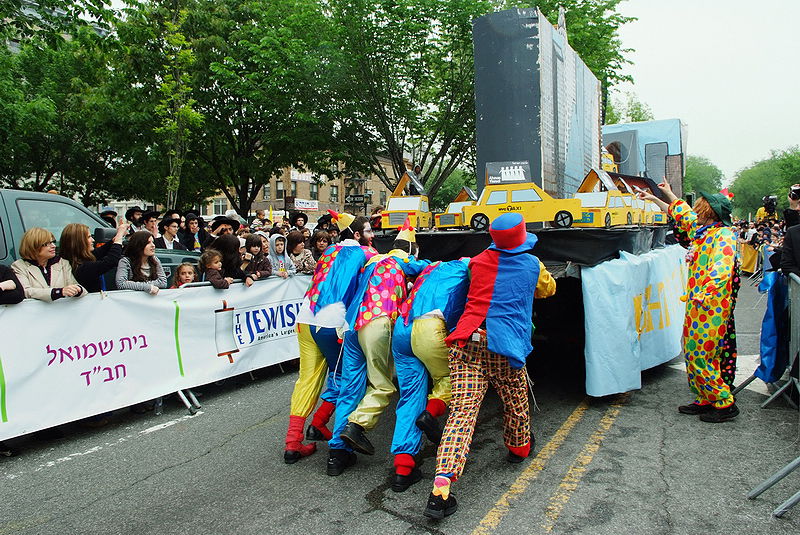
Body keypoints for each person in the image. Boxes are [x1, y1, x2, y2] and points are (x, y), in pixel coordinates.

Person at [422, 213, 555, 519]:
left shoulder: (476, 262)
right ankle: (519, 448)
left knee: (462, 415)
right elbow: (548, 290)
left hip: (468, 342)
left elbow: (463, 296)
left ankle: (440, 492)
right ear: (522, 238)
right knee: (516, 399)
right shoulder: (533, 265)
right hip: (504, 346)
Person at [328, 220, 430, 475]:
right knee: (383, 385)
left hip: (352, 325)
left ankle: (337, 455)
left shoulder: (374, 260)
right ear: (411, 250)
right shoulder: (405, 261)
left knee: (350, 389)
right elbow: (429, 268)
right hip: (377, 322)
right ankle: (356, 425)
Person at [637, 183, 740, 423]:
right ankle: (705, 397)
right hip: (696, 303)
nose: (696, 210)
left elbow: (722, 268)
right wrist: (654, 198)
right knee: (693, 352)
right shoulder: (702, 230)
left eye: (700, 207)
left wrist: (707, 291)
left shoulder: (723, 235)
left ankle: (724, 402)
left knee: (702, 354)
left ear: (709, 212)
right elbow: (678, 211)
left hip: (712, 305)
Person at [283, 210, 377, 464]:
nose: (373, 235)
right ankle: (327, 430)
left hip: (306, 317)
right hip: (332, 321)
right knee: (345, 377)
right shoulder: (367, 253)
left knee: (307, 379)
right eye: (369, 230)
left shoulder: (328, 251)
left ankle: (293, 442)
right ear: (357, 234)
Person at [389, 258, 470, 492]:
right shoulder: (468, 267)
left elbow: (400, 262)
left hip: (403, 327)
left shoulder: (432, 266)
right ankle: (430, 414)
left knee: (410, 396)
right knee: (448, 379)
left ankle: (403, 468)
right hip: (430, 326)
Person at [11, 228, 86, 302]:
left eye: (53, 242)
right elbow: (26, 291)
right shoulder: (19, 266)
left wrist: (78, 290)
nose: (54, 246)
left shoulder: (62, 263)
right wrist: (57, 292)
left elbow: (75, 285)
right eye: (47, 243)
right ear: (34, 246)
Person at [60, 221, 128, 293]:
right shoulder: (81, 268)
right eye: (89, 237)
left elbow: (101, 251)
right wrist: (119, 237)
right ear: (79, 241)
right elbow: (110, 261)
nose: (93, 240)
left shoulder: (76, 259)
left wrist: (117, 236)